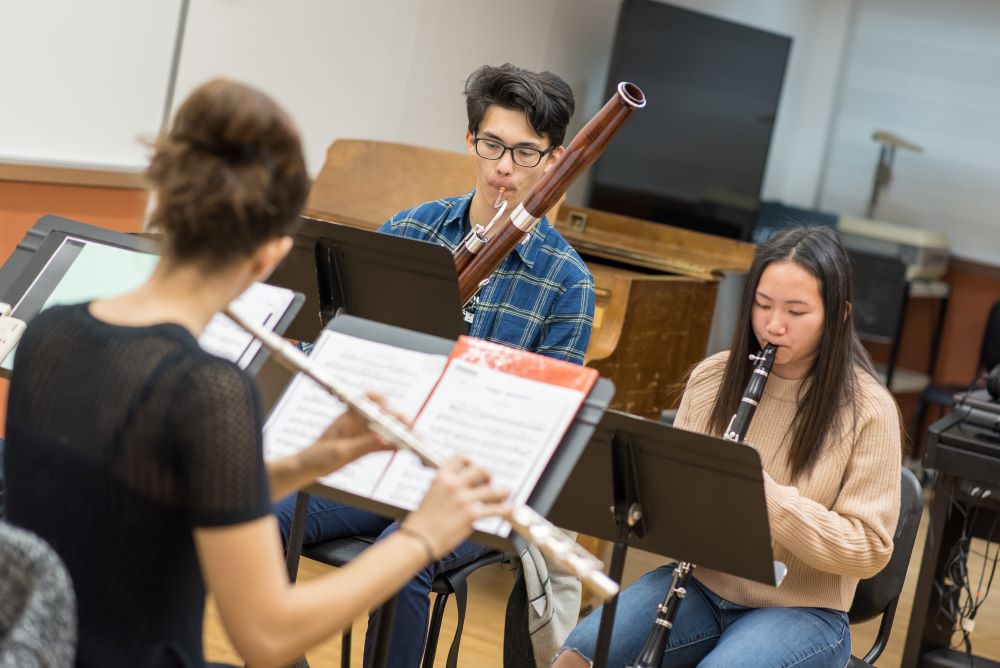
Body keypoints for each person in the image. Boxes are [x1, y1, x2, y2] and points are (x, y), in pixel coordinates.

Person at [3, 78, 509, 668]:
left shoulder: (52, 332)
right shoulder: (207, 389)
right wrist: (424, 534)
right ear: (271, 254)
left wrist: (309, 463)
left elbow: (150, 494)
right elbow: (266, 639)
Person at [273, 62, 595, 667]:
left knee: (403, 561)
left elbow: (545, 430)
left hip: (472, 486)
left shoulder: (568, 283)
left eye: (527, 153)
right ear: (471, 140)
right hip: (383, 456)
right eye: (494, 145)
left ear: (554, 161)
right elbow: (349, 343)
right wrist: (299, 356)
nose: (505, 167)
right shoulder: (412, 231)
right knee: (261, 515)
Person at [555, 226, 903, 668]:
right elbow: (668, 502)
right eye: (762, 305)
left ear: (839, 314)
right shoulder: (713, 377)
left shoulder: (869, 410)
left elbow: (869, 549)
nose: (773, 325)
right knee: (577, 657)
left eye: (796, 311)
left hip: (803, 612)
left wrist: (767, 499)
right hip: (700, 585)